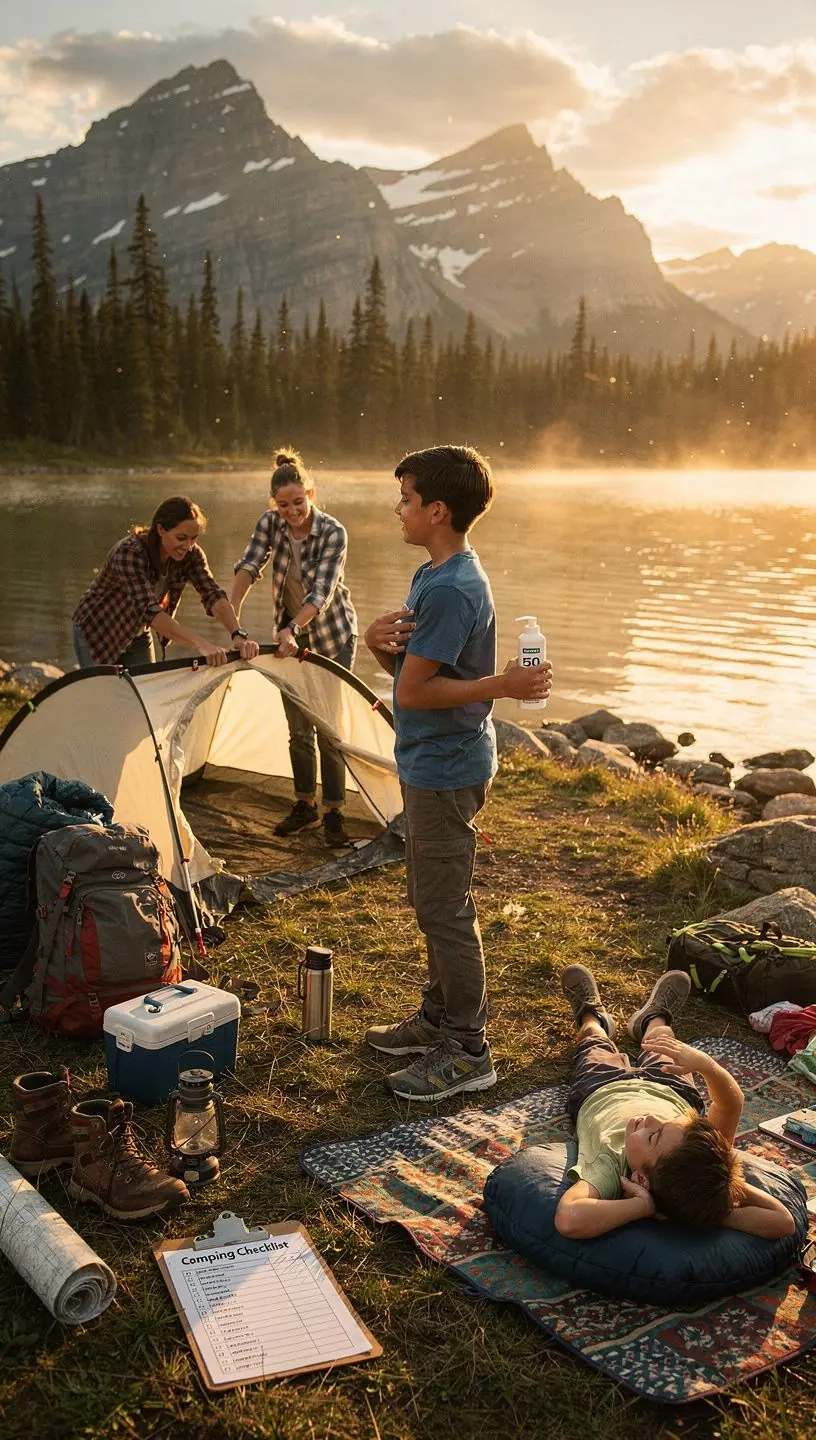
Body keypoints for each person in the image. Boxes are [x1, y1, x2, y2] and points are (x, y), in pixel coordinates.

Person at [364, 445, 552, 1101]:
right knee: (433, 898)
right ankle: (438, 1016)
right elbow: (417, 676)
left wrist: (498, 682)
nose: (399, 509)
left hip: (445, 767)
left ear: (437, 510)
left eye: (408, 499)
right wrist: (373, 644)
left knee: (444, 908)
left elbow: (415, 693)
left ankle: (469, 1049)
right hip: (437, 760)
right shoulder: (439, 573)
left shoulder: (448, 587)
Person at [553, 964, 796, 1238]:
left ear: (641, 1179)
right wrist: (706, 1066)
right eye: (669, 1124)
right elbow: (782, 1221)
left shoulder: (611, 1165)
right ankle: (654, 1019)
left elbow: (569, 1220)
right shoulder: (703, 1164)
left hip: (600, 1088)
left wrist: (641, 1206)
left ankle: (591, 1016)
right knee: (663, 1042)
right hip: (670, 1086)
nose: (652, 1119)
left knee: (593, 1042)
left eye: (652, 1136)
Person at [230, 451, 358, 849]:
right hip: (290, 635)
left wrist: (291, 629)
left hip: (331, 637)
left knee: (327, 727)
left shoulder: (334, 532)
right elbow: (250, 565)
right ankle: (305, 805)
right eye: (283, 505)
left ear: (311, 494)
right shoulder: (271, 524)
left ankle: (334, 812)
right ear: (274, 504)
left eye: (298, 502)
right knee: (297, 728)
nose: (292, 511)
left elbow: (321, 592)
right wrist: (230, 618)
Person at [73, 496, 259, 669]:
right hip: (97, 631)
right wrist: (202, 645)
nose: (188, 546)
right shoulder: (129, 553)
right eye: (181, 538)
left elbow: (213, 595)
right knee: (104, 697)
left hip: (137, 633)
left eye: (194, 538)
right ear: (161, 529)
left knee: (145, 696)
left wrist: (238, 635)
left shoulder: (191, 555)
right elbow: (151, 612)